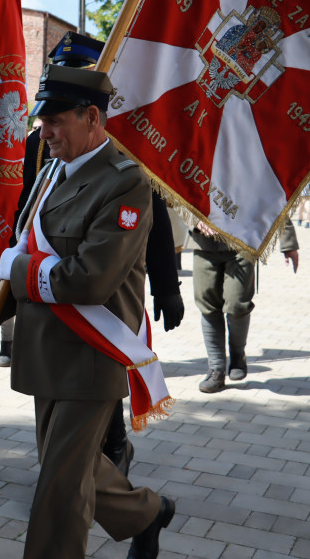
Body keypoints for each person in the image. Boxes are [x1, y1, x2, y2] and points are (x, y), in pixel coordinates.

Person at [0, 64, 175, 559]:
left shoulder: (125, 183)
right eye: (43, 120)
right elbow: (21, 257)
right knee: (72, 473)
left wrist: (19, 268)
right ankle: (146, 513)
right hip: (43, 352)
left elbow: (89, 280)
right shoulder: (53, 171)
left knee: (58, 490)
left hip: (91, 355)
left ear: (92, 117)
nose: (44, 131)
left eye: (55, 121)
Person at [13, 31, 185, 476]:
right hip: (51, 304)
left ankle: (111, 459)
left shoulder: (120, 147)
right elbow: (29, 213)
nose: (47, 128)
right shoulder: (44, 142)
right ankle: (112, 494)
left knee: (91, 423)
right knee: (70, 455)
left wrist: (167, 286)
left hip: (100, 301)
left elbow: (156, 218)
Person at [192, 218, 299, 392]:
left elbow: (275, 197)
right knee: (208, 305)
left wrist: (288, 243)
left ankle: (237, 355)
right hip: (205, 242)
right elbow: (179, 193)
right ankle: (216, 370)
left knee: (237, 304)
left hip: (242, 242)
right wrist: (194, 218)